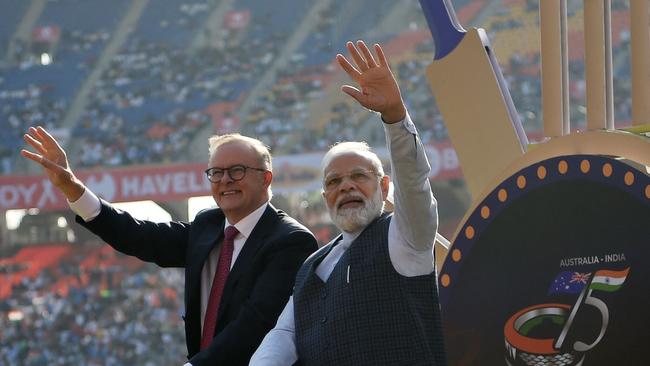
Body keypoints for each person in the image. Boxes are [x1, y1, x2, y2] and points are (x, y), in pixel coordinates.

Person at [21, 131, 318, 366]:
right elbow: (140, 237)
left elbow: (256, 323)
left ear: (265, 178)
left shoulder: (290, 241)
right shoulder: (209, 224)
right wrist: (73, 187)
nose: (225, 180)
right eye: (216, 172)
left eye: (237, 171)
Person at [250, 40, 447, 365]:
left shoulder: (406, 237)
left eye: (359, 176)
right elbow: (283, 335)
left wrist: (395, 116)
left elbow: (413, 181)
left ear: (384, 187)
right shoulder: (311, 266)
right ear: (326, 197)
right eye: (334, 182)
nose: (346, 186)